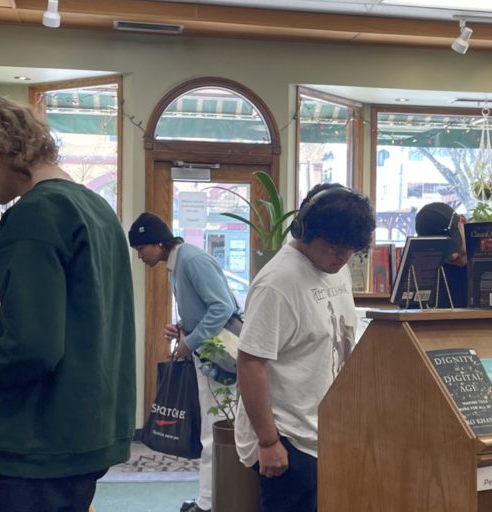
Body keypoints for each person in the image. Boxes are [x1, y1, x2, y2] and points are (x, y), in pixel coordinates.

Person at [0, 96, 136, 512]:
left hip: (32, 446)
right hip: (87, 434)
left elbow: (33, 347)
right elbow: (78, 333)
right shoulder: (97, 209)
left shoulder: (34, 214)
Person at [235, 183, 376, 512]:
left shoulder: (335, 271)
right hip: (288, 440)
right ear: (304, 230)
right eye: (334, 247)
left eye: (349, 249)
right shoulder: (277, 283)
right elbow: (250, 363)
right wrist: (268, 441)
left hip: (327, 433)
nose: (341, 257)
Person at [128, 212, 239, 512]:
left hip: (221, 358)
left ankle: (209, 502)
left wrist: (189, 341)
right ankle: (209, 498)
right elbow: (204, 309)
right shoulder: (176, 264)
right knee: (210, 429)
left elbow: (223, 307)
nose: (139, 255)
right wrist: (182, 328)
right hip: (208, 355)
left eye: (141, 248)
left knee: (214, 430)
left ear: (158, 242)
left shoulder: (191, 260)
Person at [413, 202, 468, 308]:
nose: (452, 255)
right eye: (440, 246)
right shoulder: (423, 276)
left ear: (463, 222)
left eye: (452, 242)